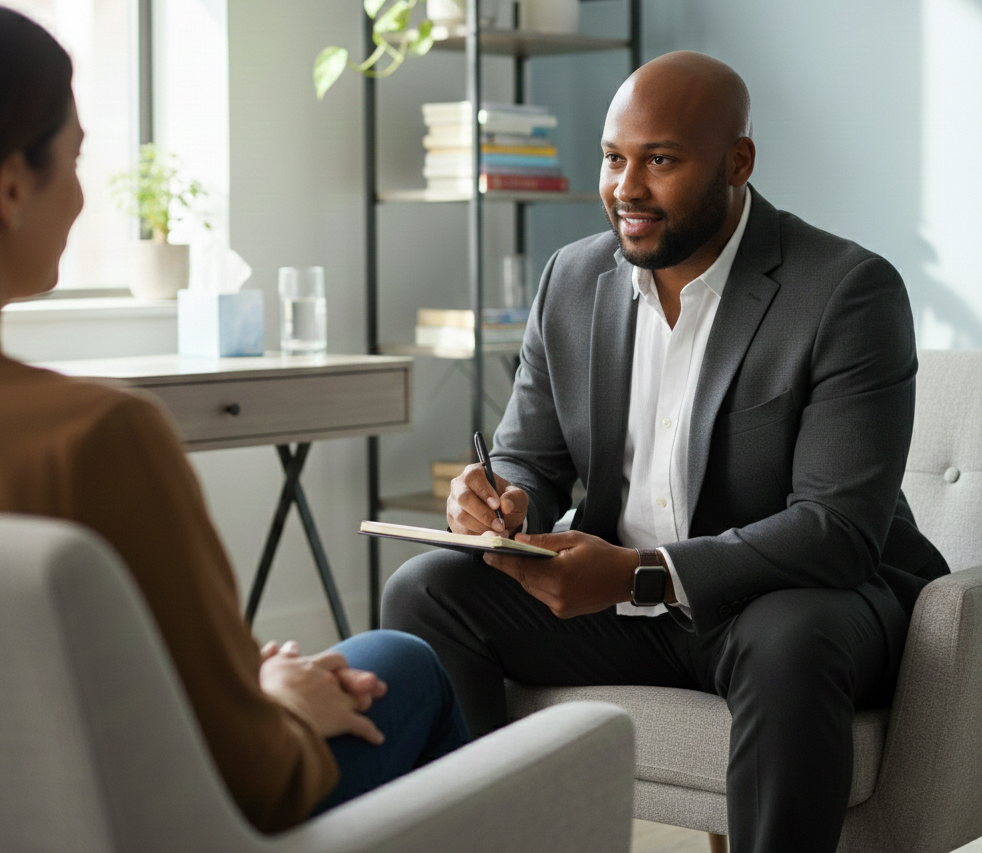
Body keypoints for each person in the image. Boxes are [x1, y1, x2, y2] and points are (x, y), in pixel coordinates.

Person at [383, 51, 950, 853]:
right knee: (426, 593)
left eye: (662, 160)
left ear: (738, 162)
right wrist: (497, 502)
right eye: (615, 158)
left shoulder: (846, 291)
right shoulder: (572, 280)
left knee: (789, 637)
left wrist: (639, 572)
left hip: (799, 600)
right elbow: (531, 462)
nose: (627, 188)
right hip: (627, 602)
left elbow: (837, 530)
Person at [0, 0, 469, 834]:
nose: (86, 199)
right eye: (77, 161)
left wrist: (246, 686)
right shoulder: (97, 439)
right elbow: (259, 781)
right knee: (400, 661)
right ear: (13, 185)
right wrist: (285, 706)